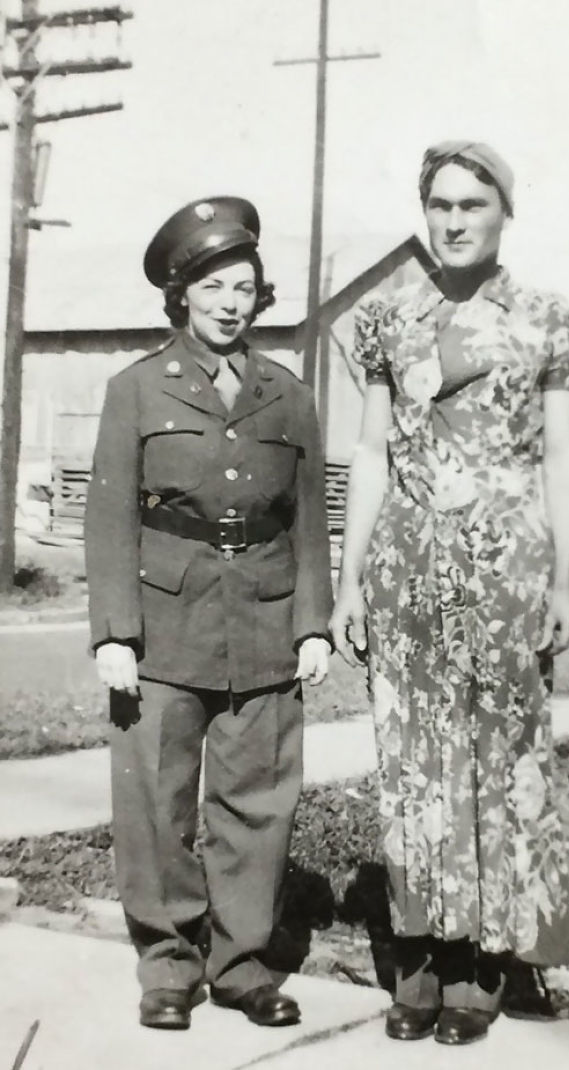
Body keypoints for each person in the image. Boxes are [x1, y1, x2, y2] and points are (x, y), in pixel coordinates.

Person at [331, 142, 569, 1046]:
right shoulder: (386, 318)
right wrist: (348, 582)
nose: (454, 219)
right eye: (440, 203)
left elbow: (560, 455)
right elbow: (369, 453)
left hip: (507, 568)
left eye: (473, 203)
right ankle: (420, 959)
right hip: (406, 564)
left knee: (495, 756)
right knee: (410, 760)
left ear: (502, 212)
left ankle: (484, 962)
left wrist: (566, 576)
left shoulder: (545, 320)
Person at [85, 196, 333, 1031]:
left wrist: (313, 623)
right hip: (162, 624)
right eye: (214, 285)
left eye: (245, 286)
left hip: (264, 617)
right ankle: (167, 963)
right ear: (181, 294)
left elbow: (306, 520)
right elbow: (110, 517)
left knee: (257, 799)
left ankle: (242, 965)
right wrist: (114, 633)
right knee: (157, 802)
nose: (231, 302)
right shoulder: (135, 388)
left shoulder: (288, 394)